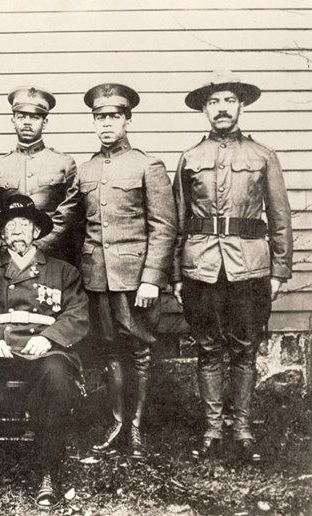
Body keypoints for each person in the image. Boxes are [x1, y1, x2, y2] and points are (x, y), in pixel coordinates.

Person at [47, 83, 177, 460]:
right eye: (99, 117)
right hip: (96, 279)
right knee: (109, 350)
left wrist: (152, 277)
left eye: (113, 117)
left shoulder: (146, 165)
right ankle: (117, 422)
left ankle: (136, 428)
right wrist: (26, 247)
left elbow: (164, 227)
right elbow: (66, 220)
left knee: (139, 349)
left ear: (127, 120)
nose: (106, 124)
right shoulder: (85, 170)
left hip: (137, 280)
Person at [172, 70, 293, 462]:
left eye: (228, 101)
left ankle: (241, 428)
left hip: (250, 268)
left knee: (244, 349)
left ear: (240, 106)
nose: (221, 109)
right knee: (208, 348)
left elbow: (280, 216)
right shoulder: (190, 158)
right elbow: (178, 219)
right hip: (200, 267)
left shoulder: (262, 155)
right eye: (213, 102)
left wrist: (278, 271)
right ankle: (212, 429)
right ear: (204, 110)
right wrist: (175, 273)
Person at [0, 195, 89, 510]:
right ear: (2, 235)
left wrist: (51, 338)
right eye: (10, 226)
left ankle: (47, 471)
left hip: (43, 351)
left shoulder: (63, 272)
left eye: (24, 225)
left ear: (37, 233)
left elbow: (77, 314)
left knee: (56, 375)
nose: (16, 231)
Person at [0, 86, 78, 263]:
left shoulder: (64, 163)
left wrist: (41, 244)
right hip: (11, 256)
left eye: (35, 117)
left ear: (45, 122)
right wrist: (11, 246)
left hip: (54, 256)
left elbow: (70, 212)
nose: (27, 122)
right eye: (21, 116)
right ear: (13, 121)